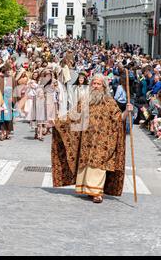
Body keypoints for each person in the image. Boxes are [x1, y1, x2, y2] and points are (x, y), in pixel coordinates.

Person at [51, 73, 133, 204]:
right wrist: (57, 122)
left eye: (98, 84)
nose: (95, 86)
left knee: (99, 164)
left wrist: (127, 112)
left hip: (104, 141)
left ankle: (97, 193)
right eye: (93, 83)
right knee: (86, 164)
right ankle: (88, 189)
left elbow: (118, 118)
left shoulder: (110, 102)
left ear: (104, 86)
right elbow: (73, 115)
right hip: (86, 141)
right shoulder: (85, 100)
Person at [0, 64, 15, 140]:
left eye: (9, 70)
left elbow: (15, 89)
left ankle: (7, 132)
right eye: (7, 71)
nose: (8, 72)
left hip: (9, 100)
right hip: (2, 100)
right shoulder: (0, 79)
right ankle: (2, 132)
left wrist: (13, 98)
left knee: (9, 117)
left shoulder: (12, 79)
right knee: (1, 117)